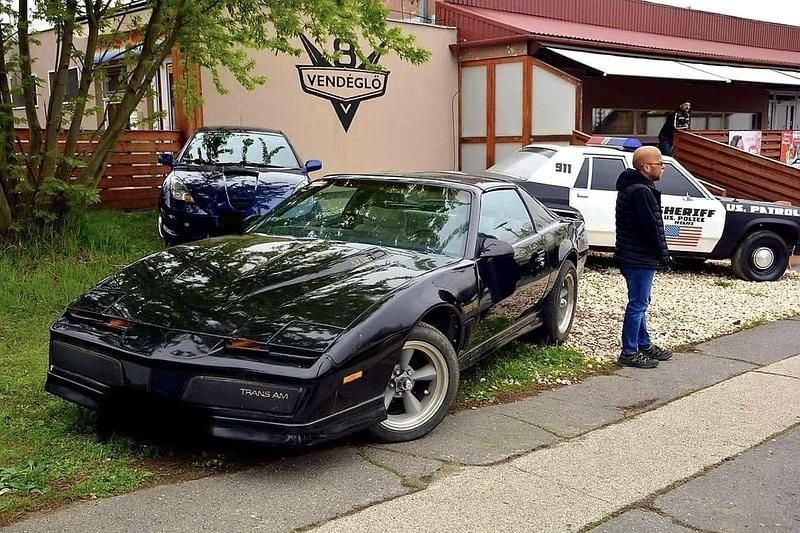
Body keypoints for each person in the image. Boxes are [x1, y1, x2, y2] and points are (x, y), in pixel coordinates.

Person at [614, 146, 673, 368]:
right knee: (638, 304)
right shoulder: (640, 192)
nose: (663, 167)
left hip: (633, 256)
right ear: (646, 167)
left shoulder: (636, 187)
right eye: (660, 163)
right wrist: (663, 256)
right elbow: (650, 229)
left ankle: (644, 344)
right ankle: (629, 351)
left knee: (641, 302)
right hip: (638, 257)